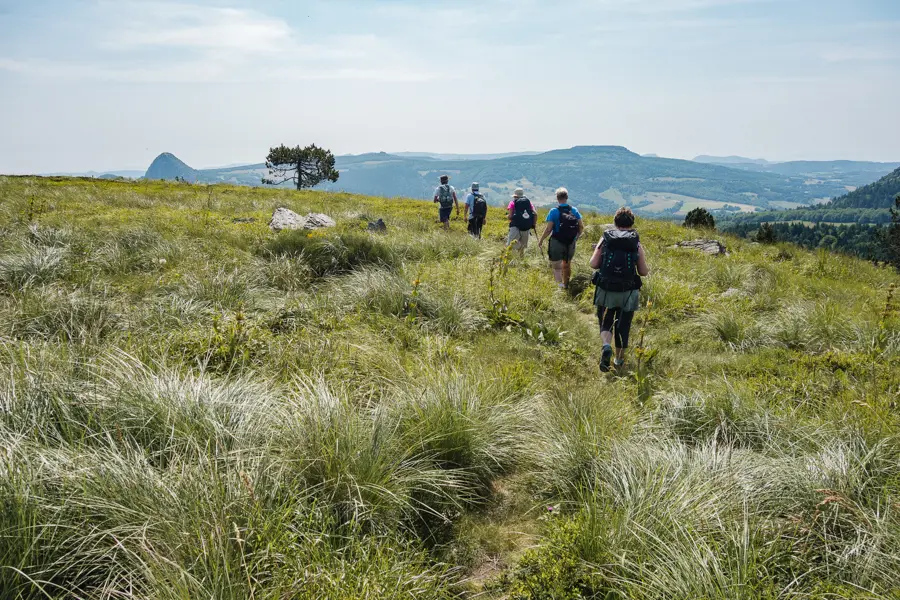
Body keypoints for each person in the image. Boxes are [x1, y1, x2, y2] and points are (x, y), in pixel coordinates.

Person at [589, 207, 650, 372]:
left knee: (606, 320)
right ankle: (618, 361)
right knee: (623, 325)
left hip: (606, 288)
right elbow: (643, 272)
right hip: (628, 291)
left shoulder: (606, 238)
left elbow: (593, 264)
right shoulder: (635, 242)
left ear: (615, 222)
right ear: (632, 223)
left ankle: (606, 346)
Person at [538, 187, 584, 289]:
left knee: (556, 266)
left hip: (557, 241)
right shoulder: (574, 210)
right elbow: (581, 227)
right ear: (567, 197)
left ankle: (559, 287)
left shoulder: (554, 211)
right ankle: (566, 285)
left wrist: (541, 240)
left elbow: (549, 229)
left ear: (557, 198)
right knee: (567, 264)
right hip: (570, 242)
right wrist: (575, 238)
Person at [507, 188, 536, 255]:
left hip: (515, 226)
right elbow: (535, 214)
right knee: (522, 246)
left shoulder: (512, 203)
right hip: (526, 226)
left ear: (515, 196)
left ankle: (511, 259)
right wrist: (533, 224)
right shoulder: (528, 203)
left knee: (511, 245)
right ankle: (521, 259)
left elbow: (510, 216)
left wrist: (508, 217)